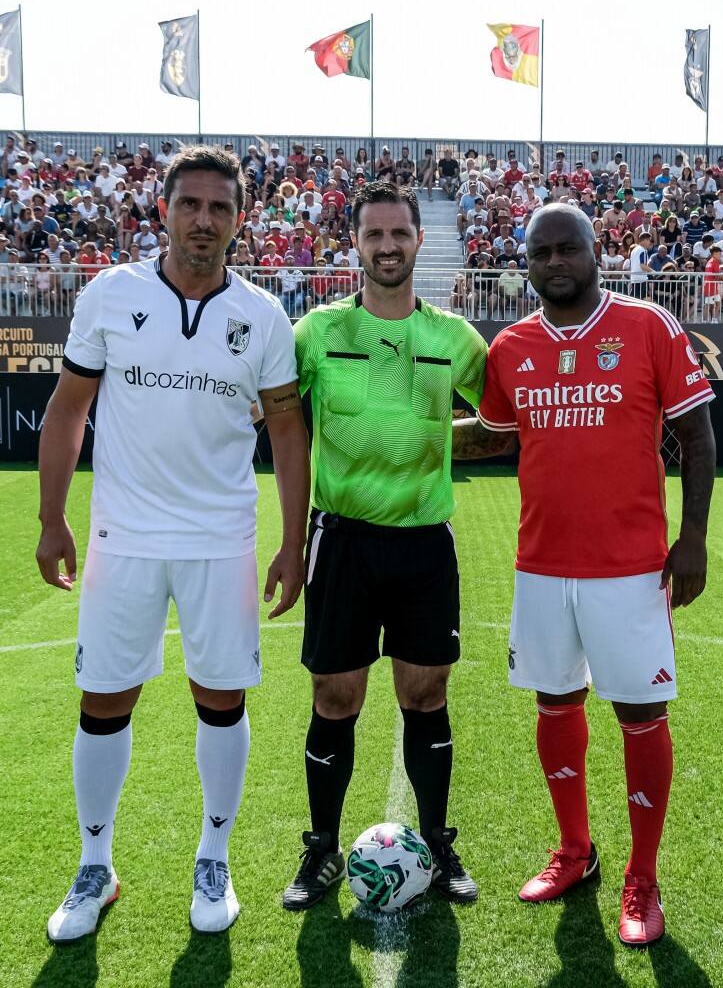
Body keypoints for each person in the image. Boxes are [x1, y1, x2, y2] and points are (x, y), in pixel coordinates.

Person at [36, 146, 311, 941]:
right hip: (123, 535)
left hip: (221, 538)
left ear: (240, 219)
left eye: (219, 208)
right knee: (105, 699)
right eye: (189, 204)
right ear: (163, 210)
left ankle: (213, 858)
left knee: (221, 698)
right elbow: (67, 412)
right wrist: (53, 518)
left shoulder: (261, 316)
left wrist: (293, 541)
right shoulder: (111, 295)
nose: (204, 220)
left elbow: (288, 433)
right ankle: (96, 866)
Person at [452, 203, 716, 948]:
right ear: (526, 263)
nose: (556, 261)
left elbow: (696, 435)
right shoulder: (511, 347)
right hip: (541, 564)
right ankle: (575, 850)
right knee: (555, 700)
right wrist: (399, 433)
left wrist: (693, 537)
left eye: (570, 248)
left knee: (639, 715)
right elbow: (491, 437)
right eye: (542, 252)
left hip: (630, 568)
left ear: (596, 253)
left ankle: (643, 876)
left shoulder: (647, 327)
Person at [281, 182, 486, 911]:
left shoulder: (455, 339)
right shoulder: (313, 333)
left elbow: (500, 417)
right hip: (342, 542)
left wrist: (436, 440)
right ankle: (322, 852)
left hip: (424, 542)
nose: (388, 246)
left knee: (425, 693)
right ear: (356, 243)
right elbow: (276, 421)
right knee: (336, 695)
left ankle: (435, 842)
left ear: (418, 240)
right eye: (375, 235)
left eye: (400, 233)